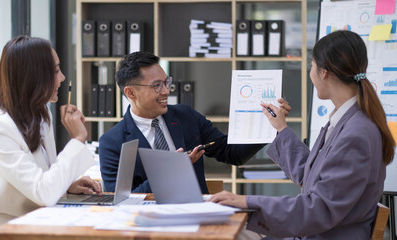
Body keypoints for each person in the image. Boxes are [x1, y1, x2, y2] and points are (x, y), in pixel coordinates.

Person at [210, 30, 396, 239]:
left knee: (230, 233)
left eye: (312, 66)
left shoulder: (355, 133)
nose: (311, 74)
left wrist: (247, 202)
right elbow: (311, 175)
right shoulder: (348, 121)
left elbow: (319, 208)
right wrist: (281, 129)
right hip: (317, 232)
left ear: (324, 72)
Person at [0, 36, 102, 240]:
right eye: (55, 71)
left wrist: (67, 185)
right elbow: (43, 192)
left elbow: (43, 179)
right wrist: (78, 138)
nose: (62, 78)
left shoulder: (42, 115)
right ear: (33, 77)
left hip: (29, 224)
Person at [99, 51, 291, 193]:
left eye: (167, 82)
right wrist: (172, 169)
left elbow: (232, 153)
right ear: (131, 93)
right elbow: (122, 201)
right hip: (148, 225)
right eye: (156, 86)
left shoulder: (185, 116)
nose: (166, 91)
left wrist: (270, 123)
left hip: (198, 215)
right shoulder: (112, 142)